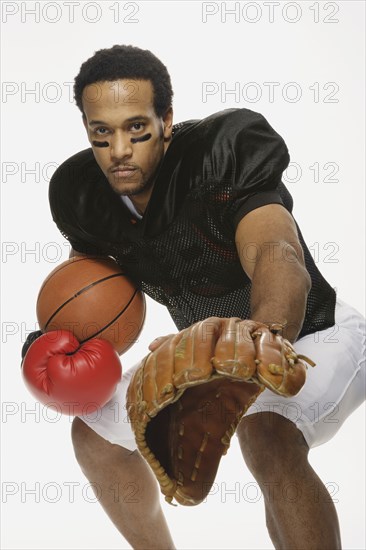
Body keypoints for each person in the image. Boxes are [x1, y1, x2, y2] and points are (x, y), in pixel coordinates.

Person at [31, 45, 365, 549]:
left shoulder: (220, 156)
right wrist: (55, 340)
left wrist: (266, 331)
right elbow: (91, 289)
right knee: (93, 436)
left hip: (314, 337)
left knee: (266, 434)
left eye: (136, 128)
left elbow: (277, 252)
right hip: (202, 354)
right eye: (102, 132)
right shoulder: (80, 195)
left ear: (166, 120)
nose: (119, 149)